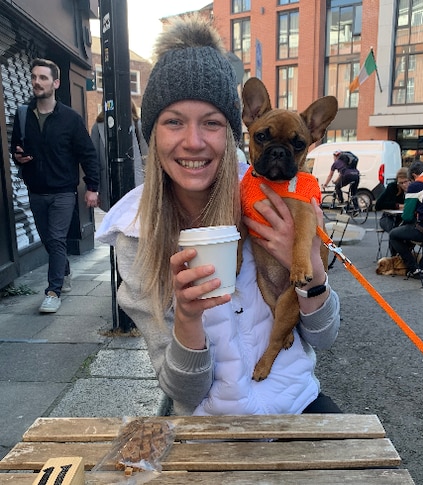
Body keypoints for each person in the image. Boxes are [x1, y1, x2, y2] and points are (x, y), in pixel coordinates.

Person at [95, 16, 341, 416]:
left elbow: (326, 336)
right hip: (209, 424)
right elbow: (183, 392)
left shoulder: (274, 201)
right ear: (152, 133)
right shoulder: (137, 234)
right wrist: (188, 320)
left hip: (297, 405)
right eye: (174, 121)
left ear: (231, 130)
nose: (193, 142)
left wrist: (312, 269)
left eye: (210, 123)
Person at [9, 58, 100, 314]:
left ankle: (53, 291)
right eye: (35, 77)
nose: (37, 82)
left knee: (57, 238)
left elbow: (88, 154)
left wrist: (92, 187)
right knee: (49, 240)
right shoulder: (23, 114)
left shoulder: (70, 118)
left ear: (56, 83)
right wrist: (19, 156)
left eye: (44, 78)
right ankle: (65, 271)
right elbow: (16, 146)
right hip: (35, 190)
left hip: (62, 191)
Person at [91, 100, 148, 212]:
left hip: (136, 179)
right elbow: (94, 158)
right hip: (109, 183)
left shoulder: (137, 124)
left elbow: (146, 155)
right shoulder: (98, 127)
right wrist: (95, 189)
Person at [389, 161, 423, 278]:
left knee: (393, 235)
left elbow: (407, 216)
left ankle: (413, 268)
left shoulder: (416, 186)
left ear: (413, 175)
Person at [375, 166, 410, 233]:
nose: (403, 185)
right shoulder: (392, 187)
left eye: (405, 182)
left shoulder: (415, 188)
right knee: (394, 230)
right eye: (400, 183)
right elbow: (378, 205)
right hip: (389, 217)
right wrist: (397, 206)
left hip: (405, 218)